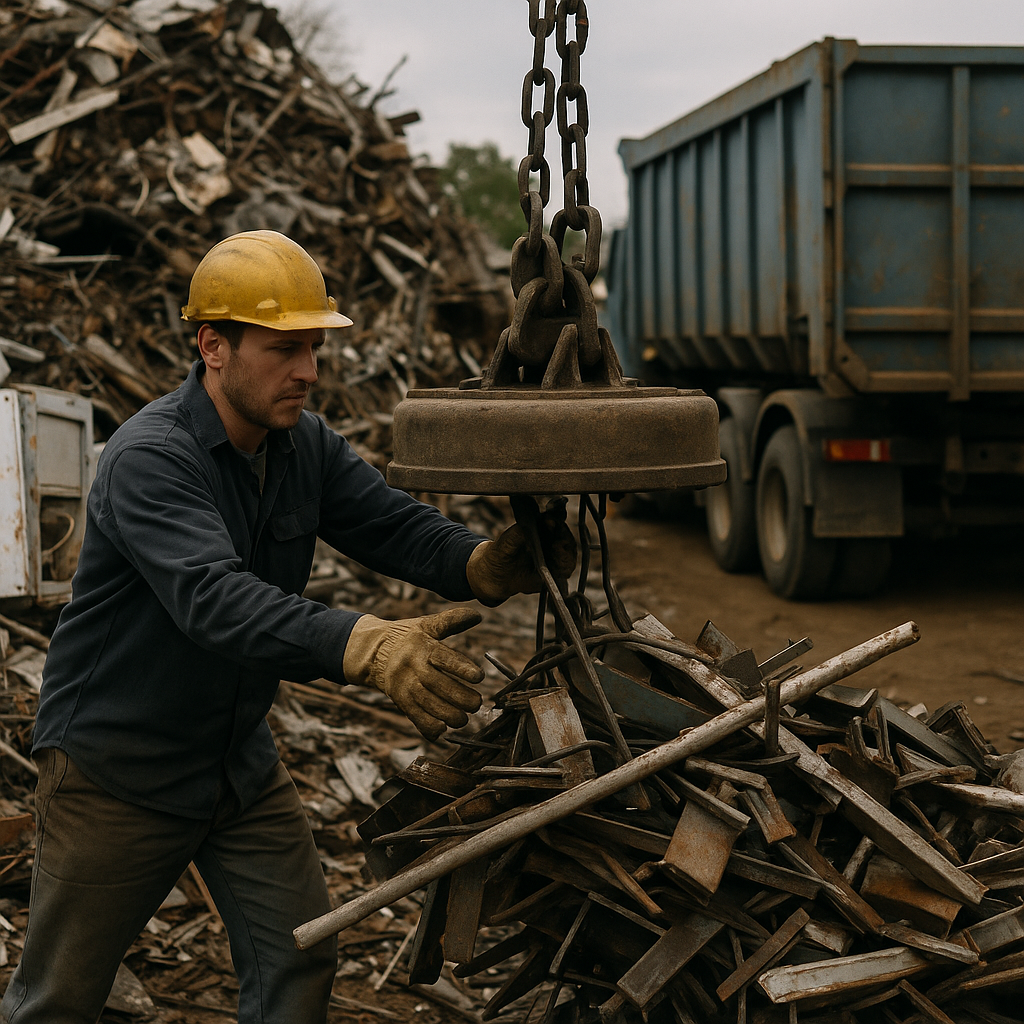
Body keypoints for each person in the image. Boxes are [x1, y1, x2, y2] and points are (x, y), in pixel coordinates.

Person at [0, 230, 574, 1024]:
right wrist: (368, 645)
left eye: (313, 348)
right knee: (58, 1001)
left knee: (299, 957)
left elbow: (388, 523)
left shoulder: (300, 442)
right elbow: (214, 598)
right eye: (285, 349)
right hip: (116, 772)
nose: (308, 371)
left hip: (234, 764)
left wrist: (481, 563)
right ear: (214, 346)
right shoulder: (150, 458)